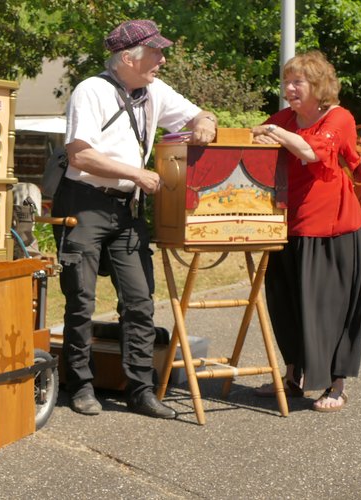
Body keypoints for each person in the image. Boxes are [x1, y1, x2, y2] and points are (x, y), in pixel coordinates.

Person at [52, 19, 217, 418]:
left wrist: (206, 122)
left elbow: (198, 114)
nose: (162, 60)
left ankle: (141, 390)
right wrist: (136, 174)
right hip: (83, 202)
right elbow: (80, 155)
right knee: (81, 300)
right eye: (156, 52)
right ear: (128, 58)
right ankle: (80, 385)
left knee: (139, 301)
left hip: (127, 209)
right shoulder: (91, 90)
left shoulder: (155, 90)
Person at [251, 50, 361, 412]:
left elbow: (311, 151)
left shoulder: (339, 118)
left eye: (297, 82)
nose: (289, 88)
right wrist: (264, 134)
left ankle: (336, 385)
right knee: (285, 304)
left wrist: (274, 133)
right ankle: (292, 378)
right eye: (286, 82)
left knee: (328, 311)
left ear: (318, 85)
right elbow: (256, 135)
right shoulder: (286, 118)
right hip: (287, 226)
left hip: (332, 230)